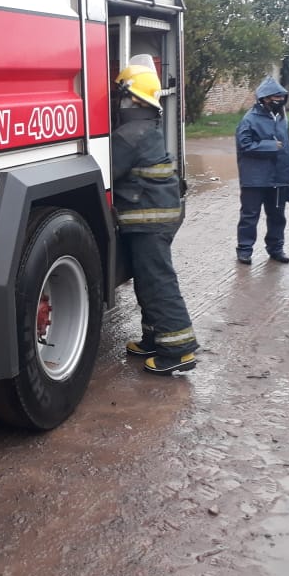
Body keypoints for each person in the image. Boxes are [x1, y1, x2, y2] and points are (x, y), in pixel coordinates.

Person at [113, 58, 199, 375]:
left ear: (133, 98)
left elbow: (109, 172)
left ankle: (178, 350)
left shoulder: (129, 134)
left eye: (122, 95)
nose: (118, 101)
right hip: (156, 217)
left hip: (149, 221)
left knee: (158, 283)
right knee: (148, 281)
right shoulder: (147, 127)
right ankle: (154, 338)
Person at [234, 77, 289, 264]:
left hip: (279, 177)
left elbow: (287, 148)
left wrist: (287, 177)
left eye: (281, 97)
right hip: (254, 178)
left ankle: (276, 248)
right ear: (264, 99)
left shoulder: (283, 118)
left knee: (277, 215)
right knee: (250, 215)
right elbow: (244, 145)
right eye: (275, 97)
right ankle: (244, 249)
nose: (279, 100)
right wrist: (270, 146)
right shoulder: (249, 119)